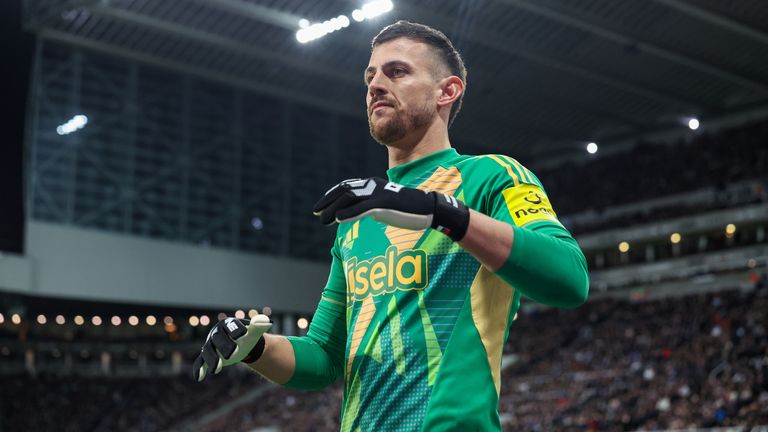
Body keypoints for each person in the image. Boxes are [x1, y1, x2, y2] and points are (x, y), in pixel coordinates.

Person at [194, 20, 589, 431]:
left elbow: (569, 278)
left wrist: (443, 212)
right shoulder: (358, 217)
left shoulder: (492, 176)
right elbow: (325, 356)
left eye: (397, 71)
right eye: (370, 75)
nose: (375, 85)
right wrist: (256, 348)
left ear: (447, 91)